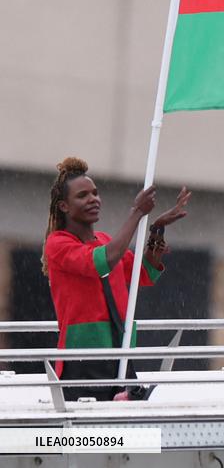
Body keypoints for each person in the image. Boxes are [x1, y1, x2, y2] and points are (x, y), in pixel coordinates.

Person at [42, 157, 191, 401]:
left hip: (121, 355)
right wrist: (136, 213)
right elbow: (103, 262)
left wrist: (156, 229)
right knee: (91, 437)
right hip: (83, 362)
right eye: (83, 195)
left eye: (95, 193)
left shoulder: (103, 240)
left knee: (126, 435)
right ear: (63, 207)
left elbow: (144, 272)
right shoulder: (57, 244)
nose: (93, 199)